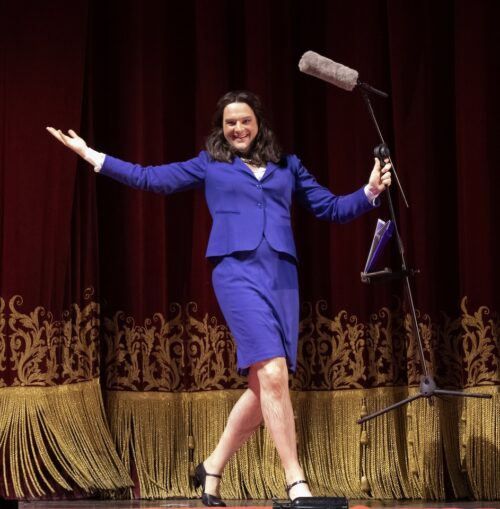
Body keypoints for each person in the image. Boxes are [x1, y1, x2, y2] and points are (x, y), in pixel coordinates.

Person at [47, 90, 391, 506]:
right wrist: (92, 156)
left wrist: (369, 191)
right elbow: (150, 178)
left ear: (258, 123)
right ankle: (296, 483)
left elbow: (331, 208)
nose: (238, 129)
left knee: (264, 385)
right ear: (221, 127)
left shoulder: (288, 165)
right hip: (236, 272)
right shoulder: (210, 164)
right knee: (273, 374)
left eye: (245, 121)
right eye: (230, 123)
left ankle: (211, 467)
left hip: (282, 276)